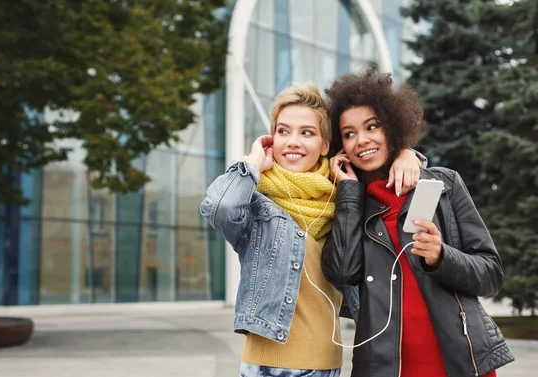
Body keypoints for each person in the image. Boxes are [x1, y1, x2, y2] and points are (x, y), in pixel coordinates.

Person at [200, 82, 423, 377]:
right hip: (268, 367)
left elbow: (377, 160)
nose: (293, 141)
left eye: (307, 132)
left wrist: (407, 153)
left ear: (325, 145)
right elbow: (220, 207)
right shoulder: (255, 204)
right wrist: (252, 162)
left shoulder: (344, 194)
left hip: (327, 365)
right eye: (283, 131)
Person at [321, 67, 514, 377]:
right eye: (349, 133)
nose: (362, 140)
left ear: (392, 127)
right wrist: (347, 193)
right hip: (386, 367)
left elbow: (491, 275)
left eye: (373, 126)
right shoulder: (348, 204)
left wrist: (442, 256)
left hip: (460, 362)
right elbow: (343, 271)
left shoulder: (445, 184)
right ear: (340, 145)